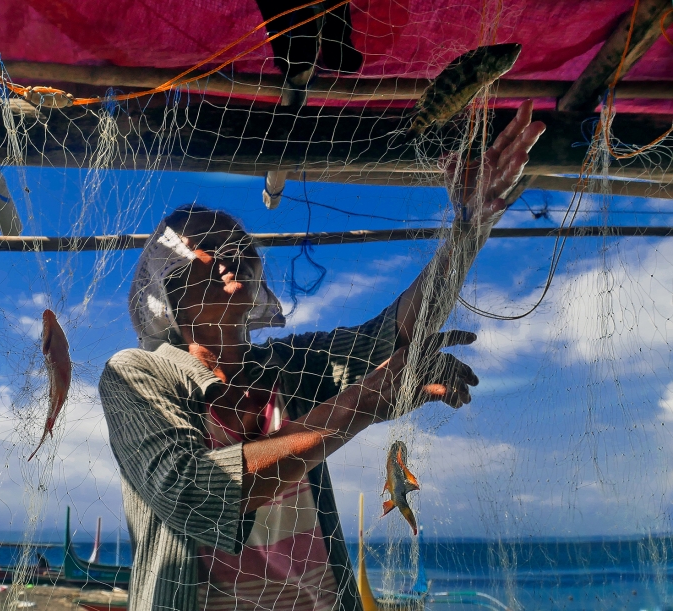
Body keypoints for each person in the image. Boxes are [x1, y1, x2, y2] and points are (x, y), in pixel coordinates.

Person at [99, 101, 545, 611]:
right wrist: (362, 403)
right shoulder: (134, 374)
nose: (233, 253)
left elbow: (393, 332)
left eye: (240, 243)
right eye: (209, 244)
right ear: (168, 284)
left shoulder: (285, 367)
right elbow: (194, 492)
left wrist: (468, 227)